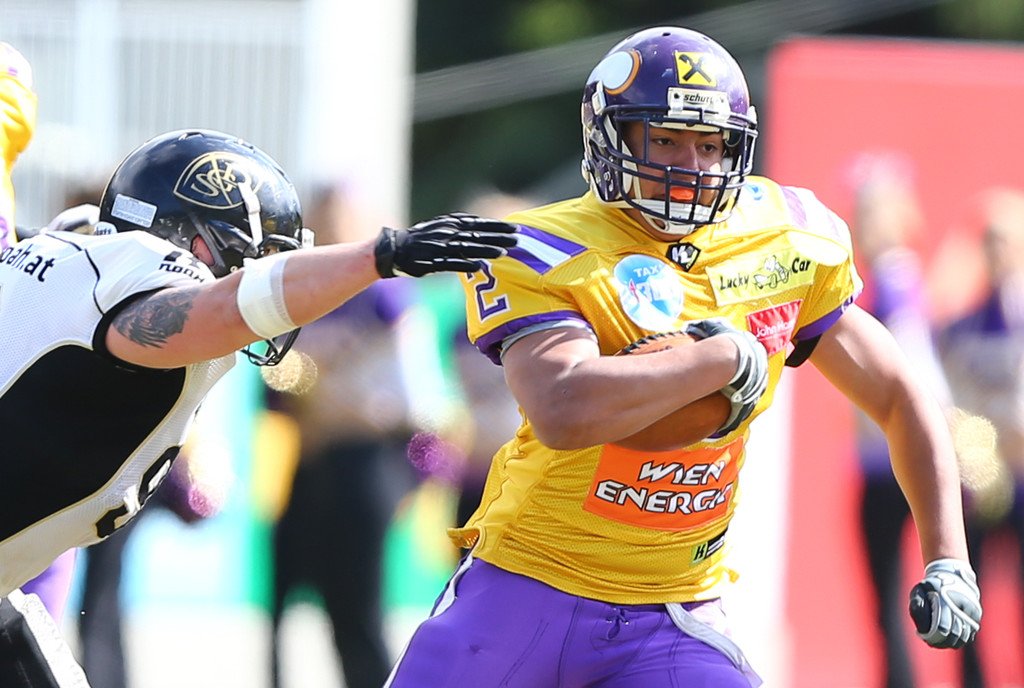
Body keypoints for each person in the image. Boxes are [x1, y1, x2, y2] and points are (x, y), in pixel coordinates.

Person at [384, 26, 981, 688]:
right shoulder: (549, 246)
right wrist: (718, 359)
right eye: (665, 140)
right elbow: (563, 408)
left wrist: (948, 557)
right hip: (525, 586)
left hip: (670, 611)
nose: (690, 164)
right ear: (611, 137)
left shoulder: (783, 239)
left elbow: (899, 394)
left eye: (709, 144)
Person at [0, 127, 517, 687]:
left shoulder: (61, 250)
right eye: (260, 255)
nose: (265, 268)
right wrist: (379, 256)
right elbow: (222, 308)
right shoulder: (137, 281)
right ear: (200, 245)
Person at [267, 183, 426, 688]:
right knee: (283, 598)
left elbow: (413, 399)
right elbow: (276, 391)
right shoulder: (297, 293)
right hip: (312, 463)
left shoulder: (386, 296)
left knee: (357, 610)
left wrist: (335, 392)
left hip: (366, 462)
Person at [847, 155, 954, 688]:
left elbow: (918, 372)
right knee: (892, 600)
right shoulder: (886, 277)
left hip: (893, 459)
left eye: (869, 210)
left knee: (899, 598)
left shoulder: (893, 277)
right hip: (882, 458)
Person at [937, 188, 1024, 688]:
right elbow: (941, 364)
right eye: (987, 240)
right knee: (971, 595)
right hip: (985, 478)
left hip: (1023, 473)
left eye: (1004, 239)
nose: (995, 250)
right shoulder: (967, 320)